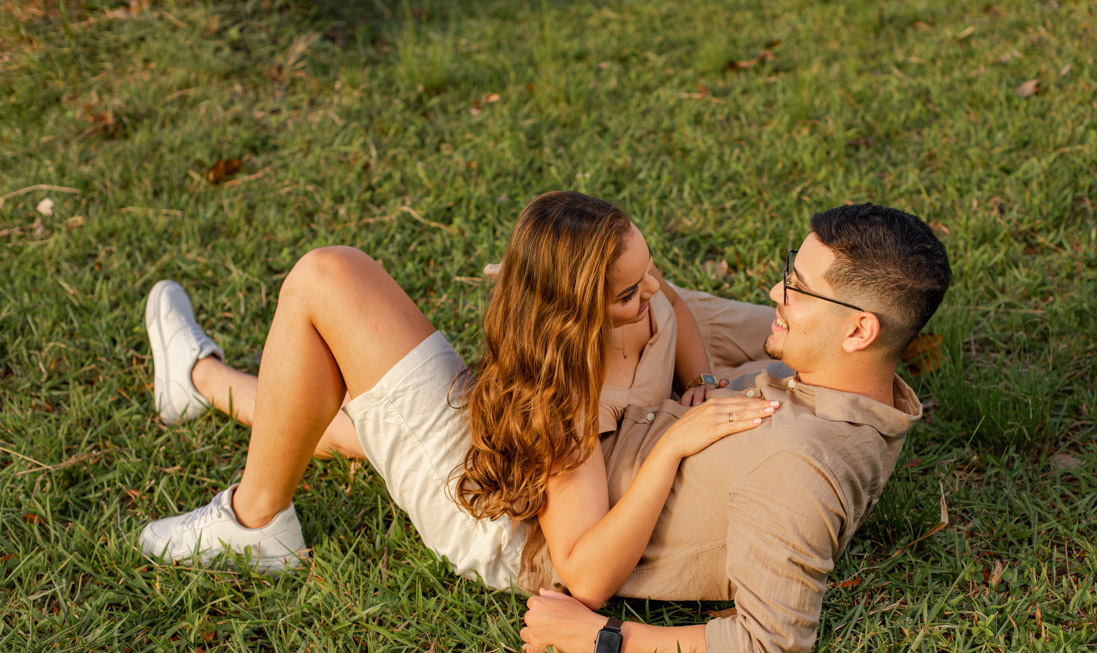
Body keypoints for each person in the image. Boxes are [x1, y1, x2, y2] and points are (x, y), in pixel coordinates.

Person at [140, 191, 778, 599]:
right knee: (325, 279)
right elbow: (584, 573)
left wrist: (700, 383)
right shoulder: (562, 406)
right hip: (492, 515)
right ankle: (256, 519)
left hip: (514, 515)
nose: (651, 294)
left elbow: (675, 308)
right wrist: (672, 442)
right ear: (571, 312)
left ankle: (200, 380)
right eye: (627, 292)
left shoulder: (630, 294)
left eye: (645, 274)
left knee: (352, 389)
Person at [518, 202, 952, 653]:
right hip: (646, 400)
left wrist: (598, 638)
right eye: (791, 272)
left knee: (426, 349)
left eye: (799, 289)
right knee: (609, 277)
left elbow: (770, 647)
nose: (775, 291)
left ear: (858, 330)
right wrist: (703, 379)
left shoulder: (796, 468)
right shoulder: (849, 384)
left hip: (550, 488)